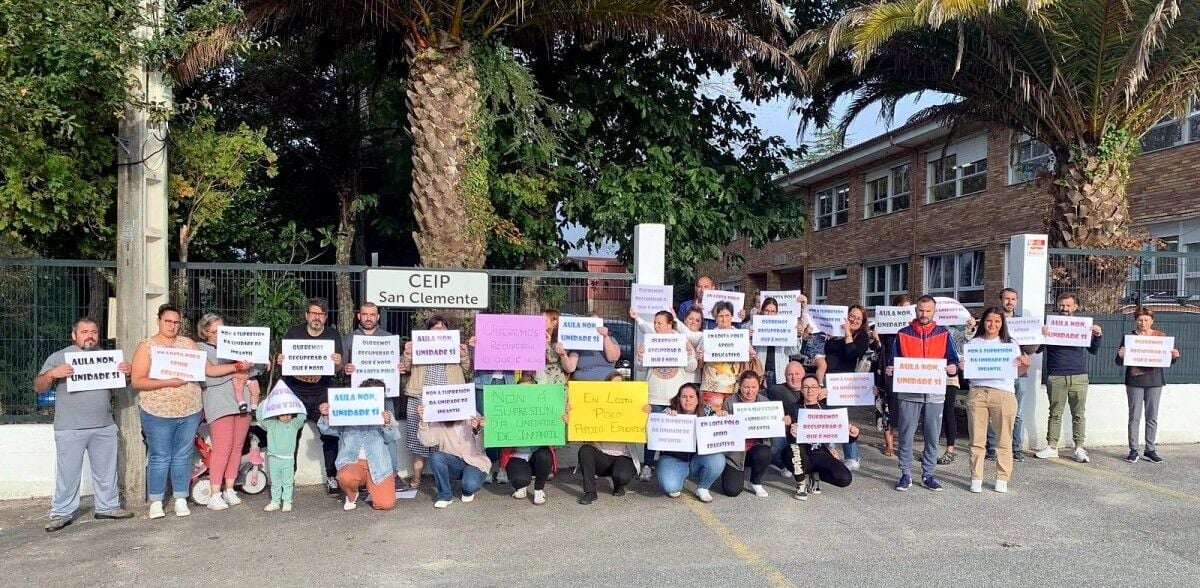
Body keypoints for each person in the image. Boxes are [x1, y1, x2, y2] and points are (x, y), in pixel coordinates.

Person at [131, 304, 233, 519]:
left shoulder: (188, 344)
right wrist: (167, 382)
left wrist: (237, 367)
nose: (172, 326)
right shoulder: (147, 346)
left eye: (176, 322)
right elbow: (137, 380)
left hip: (190, 410)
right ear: (159, 321)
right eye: (168, 321)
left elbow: (209, 370)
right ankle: (156, 501)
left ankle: (180, 498)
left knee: (183, 455)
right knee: (160, 456)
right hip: (157, 411)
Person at [35, 317, 135, 532]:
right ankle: (61, 513)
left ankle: (107, 506)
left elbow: (122, 385)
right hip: (69, 427)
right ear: (74, 335)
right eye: (85, 332)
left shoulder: (108, 358)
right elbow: (39, 386)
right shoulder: (60, 357)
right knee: (67, 473)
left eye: (94, 332)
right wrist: (53, 374)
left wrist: (127, 374)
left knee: (107, 471)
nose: (90, 335)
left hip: (104, 425)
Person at [886, 295, 960, 492]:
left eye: (928, 310)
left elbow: (952, 359)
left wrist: (953, 368)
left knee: (932, 435)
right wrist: (891, 368)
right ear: (915, 310)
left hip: (934, 393)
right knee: (906, 435)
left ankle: (928, 474)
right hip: (909, 393)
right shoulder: (902, 334)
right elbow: (892, 361)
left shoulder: (944, 334)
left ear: (934, 311)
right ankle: (905, 474)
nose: (924, 314)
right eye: (921, 310)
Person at [275, 297, 344, 493]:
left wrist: (338, 362)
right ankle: (288, 478)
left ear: (325, 317)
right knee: (290, 437)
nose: (316, 317)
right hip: (294, 393)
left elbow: (338, 368)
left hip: (322, 393)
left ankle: (332, 476)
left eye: (321, 314)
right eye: (313, 313)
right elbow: (282, 360)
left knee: (330, 434)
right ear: (306, 315)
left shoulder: (333, 335)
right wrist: (280, 359)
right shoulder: (293, 333)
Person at [196, 313, 261, 511]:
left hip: (241, 403)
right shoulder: (201, 349)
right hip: (218, 403)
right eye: (214, 331)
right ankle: (215, 492)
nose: (218, 335)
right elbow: (208, 376)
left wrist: (249, 368)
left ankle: (230, 488)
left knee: (237, 447)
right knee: (222, 447)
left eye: (222, 330)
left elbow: (254, 371)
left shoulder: (236, 346)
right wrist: (235, 370)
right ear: (205, 332)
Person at [400, 314, 471, 488]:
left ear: (448, 330)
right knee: (418, 440)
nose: (439, 328)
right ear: (428, 330)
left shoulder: (455, 346)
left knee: (446, 438)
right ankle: (416, 476)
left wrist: (463, 356)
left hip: (447, 399)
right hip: (420, 397)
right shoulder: (419, 345)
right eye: (435, 326)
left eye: (442, 326)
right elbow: (405, 368)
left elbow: (467, 369)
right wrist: (408, 354)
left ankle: (443, 479)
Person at [965, 307, 1031, 494]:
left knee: (1004, 438)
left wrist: (1025, 365)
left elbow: (1018, 373)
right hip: (978, 393)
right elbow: (968, 370)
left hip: (1004, 393)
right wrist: (964, 366)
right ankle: (976, 477)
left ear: (1002, 324)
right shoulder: (973, 343)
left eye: (997, 321)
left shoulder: (1010, 344)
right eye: (988, 321)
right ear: (982, 322)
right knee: (977, 439)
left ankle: (1002, 477)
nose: (992, 325)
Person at [1034, 292, 1102, 463]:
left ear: (1075, 307)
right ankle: (1052, 447)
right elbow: (1037, 350)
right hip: (1056, 375)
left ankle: (1079, 448)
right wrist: (1042, 334)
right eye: (1062, 305)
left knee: (1079, 414)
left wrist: (1097, 336)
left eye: (1068, 305)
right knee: (1055, 413)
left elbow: (1093, 350)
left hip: (1079, 375)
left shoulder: (1082, 326)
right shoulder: (1050, 325)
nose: (1064, 308)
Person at [317, 380, 400, 511]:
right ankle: (351, 494)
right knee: (346, 476)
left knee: (386, 504)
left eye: (377, 394)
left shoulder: (386, 415)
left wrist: (387, 424)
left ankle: (374, 487)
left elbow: (391, 438)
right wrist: (326, 416)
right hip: (352, 462)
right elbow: (327, 430)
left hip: (378, 465)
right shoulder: (348, 411)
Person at [635, 310, 698, 481]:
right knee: (652, 433)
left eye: (659, 323)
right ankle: (648, 465)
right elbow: (640, 367)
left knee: (671, 435)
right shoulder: (650, 341)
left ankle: (667, 465)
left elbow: (691, 367)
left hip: (674, 397)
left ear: (670, 324)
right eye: (655, 323)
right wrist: (640, 356)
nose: (656, 326)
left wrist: (689, 353)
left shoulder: (681, 340)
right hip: (654, 396)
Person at [342, 302, 402, 477]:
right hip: (358, 396)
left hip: (385, 396)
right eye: (365, 314)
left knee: (389, 432)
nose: (368, 318)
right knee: (357, 434)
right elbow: (340, 367)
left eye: (372, 315)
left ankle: (393, 474)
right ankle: (362, 475)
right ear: (358, 316)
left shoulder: (389, 338)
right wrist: (345, 368)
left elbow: (396, 366)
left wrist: (399, 368)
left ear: (377, 317)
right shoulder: (349, 339)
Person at [1116, 307, 1181, 464]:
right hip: (1135, 380)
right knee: (1134, 417)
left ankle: (1150, 449)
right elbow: (1118, 361)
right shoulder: (1129, 337)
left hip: (1155, 380)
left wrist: (1174, 357)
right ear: (1136, 320)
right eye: (1140, 319)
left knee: (1152, 417)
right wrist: (1121, 355)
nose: (1142, 322)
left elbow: (1166, 360)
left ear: (1152, 321)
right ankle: (1133, 450)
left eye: (1146, 319)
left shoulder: (1160, 336)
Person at [574, 371, 648, 505]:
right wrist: (572, 413)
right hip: (601, 456)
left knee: (622, 476)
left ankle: (618, 485)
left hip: (623, 457)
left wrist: (645, 413)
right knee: (585, 450)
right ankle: (590, 492)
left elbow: (645, 429)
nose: (616, 388)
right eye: (613, 385)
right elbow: (580, 424)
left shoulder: (632, 405)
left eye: (620, 385)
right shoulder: (595, 404)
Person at [986, 288, 1038, 462]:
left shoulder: (1023, 323)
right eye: (1007, 298)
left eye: (1013, 299)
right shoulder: (994, 321)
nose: (1010, 302)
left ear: (1017, 301)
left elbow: (1031, 351)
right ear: (1001, 299)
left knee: (1018, 413)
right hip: (997, 374)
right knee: (994, 413)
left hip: (1019, 374)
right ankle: (992, 448)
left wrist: (1037, 338)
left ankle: (1015, 448)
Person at [784, 374, 855, 500]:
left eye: (813, 387)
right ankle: (801, 483)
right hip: (800, 452)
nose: (810, 390)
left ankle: (815, 475)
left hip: (820, 451)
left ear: (819, 389)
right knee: (793, 450)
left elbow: (841, 434)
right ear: (801, 389)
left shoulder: (827, 410)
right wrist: (791, 432)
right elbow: (788, 437)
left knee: (845, 478)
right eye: (806, 387)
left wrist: (853, 435)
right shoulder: (793, 408)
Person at [656, 383, 726, 503]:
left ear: (698, 399)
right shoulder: (669, 412)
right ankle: (677, 476)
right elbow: (656, 431)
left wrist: (722, 416)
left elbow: (720, 429)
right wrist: (665, 417)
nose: (688, 400)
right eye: (684, 396)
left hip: (698, 458)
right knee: (670, 487)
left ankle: (703, 487)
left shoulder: (707, 411)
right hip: (674, 458)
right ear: (679, 398)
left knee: (718, 459)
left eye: (691, 397)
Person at [820, 304, 870, 471]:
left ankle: (852, 456)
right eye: (852, 316)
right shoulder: (835, 332)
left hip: (843, 382)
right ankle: (830, 452)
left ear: (862, 322)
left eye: (858, 318)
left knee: (840, 418)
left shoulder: (862, 336)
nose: (854, 320)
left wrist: (848, 332)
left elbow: (851, 354)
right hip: (827, 378)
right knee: (826, 416)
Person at [418, 402, 490, 509]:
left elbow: (483, 447)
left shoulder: (474, 415)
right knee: (436, 457)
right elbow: (427, 441)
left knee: (470, 485)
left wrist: (478, 430)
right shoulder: (440, 419)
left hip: (475, 462)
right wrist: (423, 421)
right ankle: (445, 496)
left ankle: (467, 490)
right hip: (453, 462)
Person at [719, 371, 779, 498]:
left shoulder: (766, 403)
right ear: (740, 386)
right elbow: (723, 431)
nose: (749, 391)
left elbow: (773, 428)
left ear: (759, 387)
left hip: (755, 449)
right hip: (735, 452)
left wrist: (781, 421)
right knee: (732, 491)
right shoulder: (729, 402)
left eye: (754, 387)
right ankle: (728, 470)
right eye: (746, 387)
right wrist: (723, 418)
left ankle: (755, 481)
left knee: (765, 452)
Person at [697, 300, 761, 408]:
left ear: (732, 317)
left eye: (727, 315)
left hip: (734, 388)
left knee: (732, 421)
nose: (724, 319)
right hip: (712, 387)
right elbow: (699, 365)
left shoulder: (740, 336)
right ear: (715, 318)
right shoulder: (707, 337)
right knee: (713, 421)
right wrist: (700, 358)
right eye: (720, 316)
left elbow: (750, 358)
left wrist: (751, 356)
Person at [256, 383, 306, 512]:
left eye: (289, 413)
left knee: (288, 482)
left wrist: (295, 400)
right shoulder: (271, 424)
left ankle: (287, 501)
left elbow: (302, 416)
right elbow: (259, 416)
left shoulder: (295, 424)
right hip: (274, 458)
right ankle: (275, 502)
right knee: (276, 482)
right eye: (282, 414)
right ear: (277, 414)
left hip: (288, 458)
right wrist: (266, 401)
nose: (286, 416)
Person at [874, 293, 912, 457]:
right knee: (886, 407)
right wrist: (876, 339)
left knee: (904, 409)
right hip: (886, 370)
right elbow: (876, 350)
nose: (903, 311)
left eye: (906, 308)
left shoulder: (912, 329)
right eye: (900, 308)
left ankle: (903, 444)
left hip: (907, 371)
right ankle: (888, 443)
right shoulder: (884, 326)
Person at [937, 312, 976, 466]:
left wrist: (969, 329)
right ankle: (932, 449)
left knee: (948, 412)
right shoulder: (930, 329)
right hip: (929, 374)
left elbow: (962, 345)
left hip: (949, 376)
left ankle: (950, 449)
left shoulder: (953, 330)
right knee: (932, 414)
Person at [750, 297, 803, 387]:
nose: (769, 314)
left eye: (772, 311)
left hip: (779, 373)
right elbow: (749, 351)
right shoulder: (753, 326)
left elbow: (792, 351)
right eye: (767, 310)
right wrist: (749, 338)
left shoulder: (784, 327)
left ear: (776, 313)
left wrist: (797, 336)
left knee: (777, 399)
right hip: (759, 372)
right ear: (762, 311)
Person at [765, 360, 807, 472]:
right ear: (785, 377)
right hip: (786, 430)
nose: (794, 378)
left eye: (797, 374)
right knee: (776, 443)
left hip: (807, 431)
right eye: (790, 374)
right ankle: (781, 463)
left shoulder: (813, 389)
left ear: (804, 375)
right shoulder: (778, 390)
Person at [566, 315, 621, 381]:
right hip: (583, 384)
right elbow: (570, 367)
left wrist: (605, 337)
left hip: (608, 382)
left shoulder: (611, 340)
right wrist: (563, 354)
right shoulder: (579, 343)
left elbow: (613, 358)